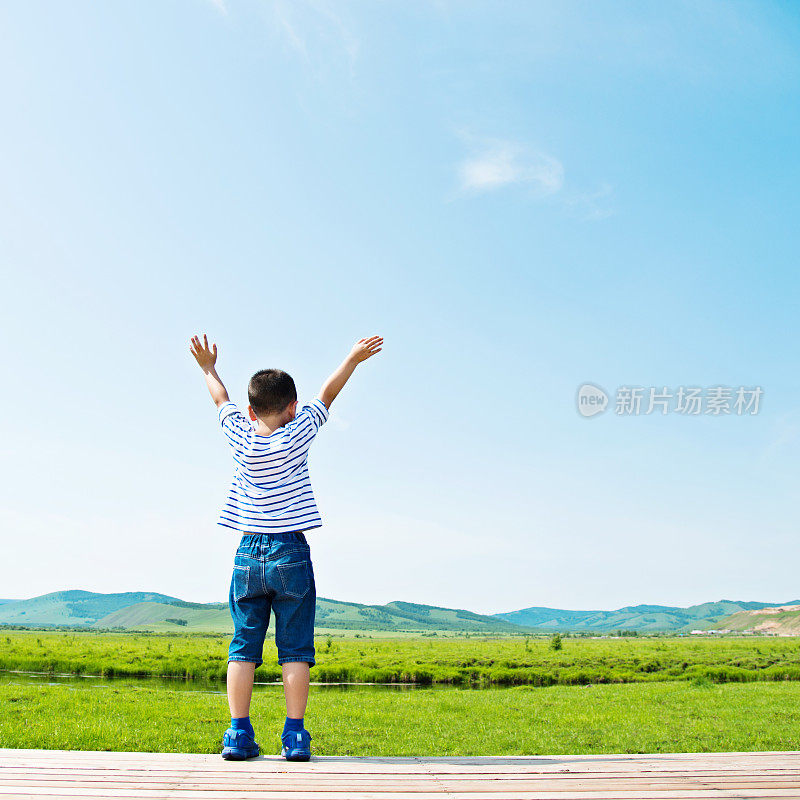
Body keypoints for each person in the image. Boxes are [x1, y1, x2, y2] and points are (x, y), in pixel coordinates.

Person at [189, 333, 383, 761]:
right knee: (295, 649)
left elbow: (220, 398)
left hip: (247, 551)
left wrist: (208, 367)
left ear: (251, 409)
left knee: (242, 648)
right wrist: (352, 356)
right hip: (291, 551)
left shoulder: (239, 434)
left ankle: (238, 735)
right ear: (293, 408)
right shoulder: (298, 434)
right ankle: (294, 737)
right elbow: (327, 394)